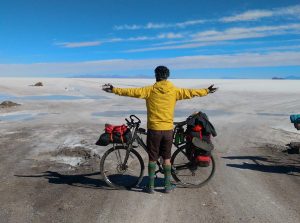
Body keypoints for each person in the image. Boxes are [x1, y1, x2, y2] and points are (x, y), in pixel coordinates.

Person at [102, 65, 218, 193]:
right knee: (167, 159)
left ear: (156, 75)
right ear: (167, 76)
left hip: (154, 130)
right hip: (168, 130)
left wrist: (113, 89)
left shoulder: (150, 90)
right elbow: (191, 92)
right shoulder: (174, 90)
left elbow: (130, 92)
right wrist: (206, 91)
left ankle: (150, 187)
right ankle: (167, 187)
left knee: (152, 158)